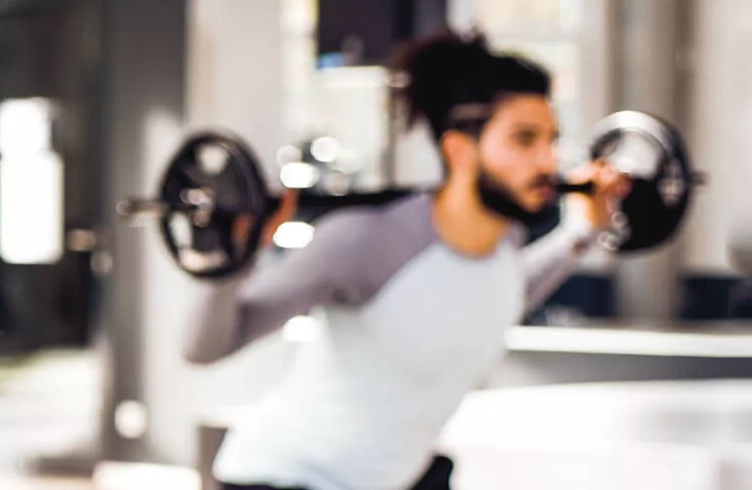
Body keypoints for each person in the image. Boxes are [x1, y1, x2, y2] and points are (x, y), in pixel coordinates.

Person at [187, 32, 631, 490]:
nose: (547, 163)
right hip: (282, 478)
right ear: (459, 150)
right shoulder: (366, 240)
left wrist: (583, 230)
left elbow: (500, 293)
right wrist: (229, 254)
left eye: (552, 141)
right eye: (525, 140)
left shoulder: (503, 249)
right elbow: (205, 347)